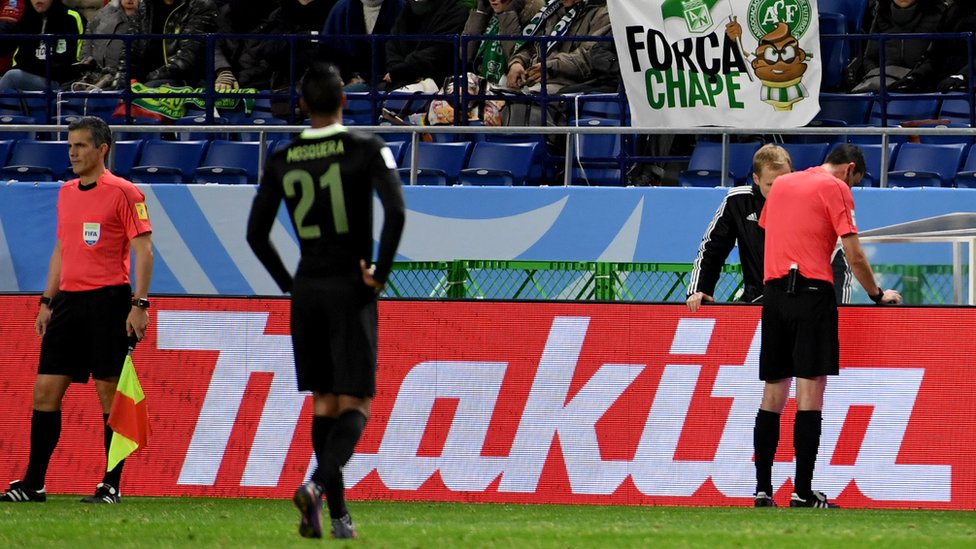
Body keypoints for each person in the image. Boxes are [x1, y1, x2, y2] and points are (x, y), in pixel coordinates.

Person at [246, 62, 405, 539]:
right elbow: (396, 211)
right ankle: (316, 486)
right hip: (349, 286)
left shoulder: (282, 158)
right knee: (356, 402)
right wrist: (379, 274)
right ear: (345, 100)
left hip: (307, 288)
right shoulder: (366, 148)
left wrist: (290, 284)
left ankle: (336, 518)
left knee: (324, 403)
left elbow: (256, 235)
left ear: (301, 105)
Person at [0, 116, 154, 505]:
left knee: (109, 396)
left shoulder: (126, 193)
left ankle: (110, 485)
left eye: (81, 145)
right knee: (45, 391)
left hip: (108, 302)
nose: (73, 152)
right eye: (70, 145)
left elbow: (143, 251)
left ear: (102, 149)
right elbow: (61, 250)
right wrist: (47, 301)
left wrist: (139, 303)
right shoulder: (66, 191)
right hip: (68, 304)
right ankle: (34, 483)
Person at [753, 144, 901, 509]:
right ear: (850, 170)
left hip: (773, 295)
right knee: (809, 396)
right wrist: (877, 293)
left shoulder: (784, 184)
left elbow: (770, 232)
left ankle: (762, 491)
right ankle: (802, 491)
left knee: (772, 395)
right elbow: (854, 254)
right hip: (812, 293)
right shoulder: (836, 188)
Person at [687, 144, 852, 312]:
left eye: (786, 181)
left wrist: (840, 310)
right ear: (756, 179)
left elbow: (837, 259)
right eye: (771, 184)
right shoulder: (737, 201)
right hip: (757, 301)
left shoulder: (813, 200)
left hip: (806, 305)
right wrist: (700, 289)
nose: (780, 189)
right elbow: (712, 249)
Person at [845, 0, 943, 93]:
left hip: (922, 86)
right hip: (884, 85)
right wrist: (881, 77)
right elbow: (869, 58)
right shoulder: (881, 15)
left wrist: (915, 78)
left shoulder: (937, 16)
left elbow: (937, 59)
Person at [115, 0, 218, 87]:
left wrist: (147, 79)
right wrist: (124, 76)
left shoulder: (201, 5)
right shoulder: (145, 5)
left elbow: (187, 58)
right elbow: (130, 47)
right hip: (146, 79)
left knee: (145, 92)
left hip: (186, 80)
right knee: (111, 94)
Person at [889, 1, 976, 93]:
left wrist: (963, 75)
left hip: (966, 88)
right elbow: (935, 54)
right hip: (944, 86)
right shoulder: (952, 10)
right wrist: (916, 76)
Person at [0, 0, 85, 92]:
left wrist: (33, 67)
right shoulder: (26, 18)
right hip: (31, 78)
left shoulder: (71, 18)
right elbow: (19, 59)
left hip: (63, 83)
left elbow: (75, 63)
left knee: (11, 77)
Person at [318, 0, 405, 89]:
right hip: (348, 83)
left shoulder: (402, 8)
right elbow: (325, 55)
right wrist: (342, 78)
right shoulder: (341, 8)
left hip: (390, 83)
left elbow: (408, 56)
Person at [463, 0, 544, 86]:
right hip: (480, 82)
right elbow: (465, 54)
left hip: (516, 86)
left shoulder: (535, 16)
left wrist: (507, 14)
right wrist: (481, 12)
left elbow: (514, 55)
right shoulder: (488, 10)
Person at [74, 0, 139, 89]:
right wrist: (86, 57)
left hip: (126, 78)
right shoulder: (108, 11)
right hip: (97, 73)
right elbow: (90, 31)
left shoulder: (146, 19)